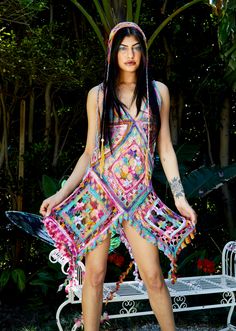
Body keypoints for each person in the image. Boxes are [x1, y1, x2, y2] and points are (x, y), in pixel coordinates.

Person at [40, 22, 197, 331]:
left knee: (153, 275)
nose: (130, 54)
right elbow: (89, 153)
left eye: (136, 48)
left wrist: (179, 197)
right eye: (123, 48)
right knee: (95, 275)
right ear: (113, 54)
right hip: (100, 196)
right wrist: (60, 195)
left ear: (144, 53)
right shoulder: (98, 96)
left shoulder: (158, 92)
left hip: (139, 199)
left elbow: (165, 149)